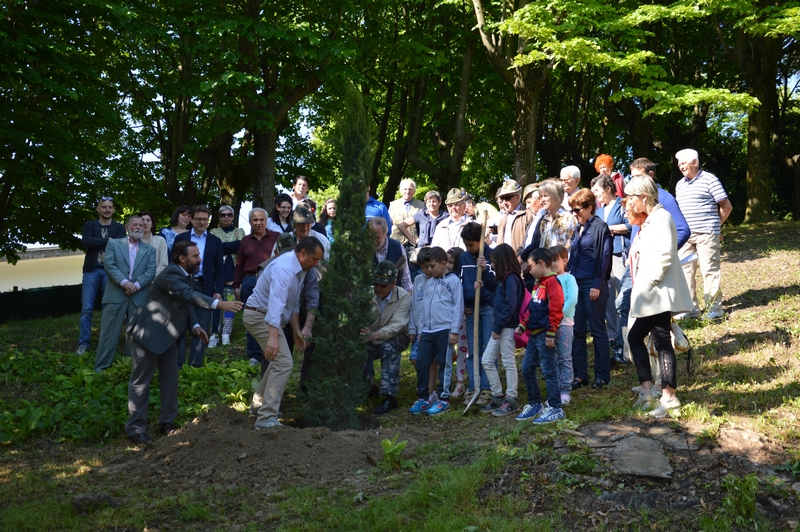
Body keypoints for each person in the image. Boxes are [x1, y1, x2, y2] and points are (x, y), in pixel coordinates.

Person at [125, 241, 243, 446]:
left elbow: (184, 302)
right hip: (147, 335)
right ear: (182, 258)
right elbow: (188, 295)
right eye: (196, 256)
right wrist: (219, 304)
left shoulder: (184, 275)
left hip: (168, 336)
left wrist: (195, 325)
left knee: (170, 380)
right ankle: (136, 429)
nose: (200, 259)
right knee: (140, 383)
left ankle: (167, 424)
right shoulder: (172, 273)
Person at [625, 175, 694, 417]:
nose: (630, 203)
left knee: (660, 342)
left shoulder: (662, 216)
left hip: (657, 292)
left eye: (632, 198)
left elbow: (665, 254)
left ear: (644, 196)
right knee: (640, 338)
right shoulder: (650, 220)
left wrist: (650, 282)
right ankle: (649, 393)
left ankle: (667, 397)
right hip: (651, 292)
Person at [246, 238, 324, 429]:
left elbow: (293, 305)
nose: (316, 265)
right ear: (302, 253)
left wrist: (297, 331)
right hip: (259, 316)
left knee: (279, 361)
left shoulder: (300, 269)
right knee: (283, 362)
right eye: (314, 259)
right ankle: (266, 418)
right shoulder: (284, 269)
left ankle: (259, 404)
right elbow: (275, 306)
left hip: (267, 317)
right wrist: (273, 338)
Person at [619, 158, 690, 364]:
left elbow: (677, 236)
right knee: (649, 337)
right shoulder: (645, 215)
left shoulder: (663, 205)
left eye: (631, 196)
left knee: (657, 339)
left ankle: (661, 389)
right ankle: (652, 386)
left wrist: (653, 277)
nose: (629, 202)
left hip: (654, 286)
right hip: (644, 282)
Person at [674, 148, 733, 320]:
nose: (680, 167)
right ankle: (690, 309)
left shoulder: (710, 179)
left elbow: (726, 207)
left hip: (706, 233)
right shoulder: (679, 184)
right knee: (685, 272)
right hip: (686, 236)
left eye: (683, 163)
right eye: (679, 164)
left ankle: (715, 310)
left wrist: (715, 227)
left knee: (709, 270)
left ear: (694, 162)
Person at [94, 215, 157, 372]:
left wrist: (135, 285)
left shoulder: (150, 250)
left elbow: (151, 272)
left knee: (136, 335)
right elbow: (109, 265)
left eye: (141, 225)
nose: (138, 227)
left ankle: (132, 368)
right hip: (116, 293)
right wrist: (125, 283)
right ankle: (101, 368)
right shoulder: (114, 244)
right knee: (109, 333)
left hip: (139, 295)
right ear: (126, 227)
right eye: (135, 224)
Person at [408, 247, 464, 416]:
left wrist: (454, 331)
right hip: (427, 331)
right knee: (422, 362)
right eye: (427, 267)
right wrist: (420, 329)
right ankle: (424, 397)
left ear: (444, 264)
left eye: (433, 266)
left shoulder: (454, 281)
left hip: (445, 329)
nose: (429, 270)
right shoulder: (429, 282)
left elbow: (457, 306)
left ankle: (443, 398)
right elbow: (423, 307)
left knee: (444, 363)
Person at [567, 188, 613, 390]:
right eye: (572, 211)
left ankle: (602, 375)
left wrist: (597, 283)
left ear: (589, 207)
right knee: (577, 330)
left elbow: (604, 256)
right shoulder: (579, 228)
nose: (574, 214)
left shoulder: (599, 226)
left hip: (593, 284)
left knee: (597, 330)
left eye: (577, 210)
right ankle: (580, 375)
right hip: (576, 284)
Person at [516, 248, 565, 423]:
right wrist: (523, 325)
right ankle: (535, 403)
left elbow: (556, 309)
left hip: (545, 335)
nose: (528, 270)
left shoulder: (552, 283)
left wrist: (551, 333)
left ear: (541, 263)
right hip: (534, 335)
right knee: (527, 368)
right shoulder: (538, 284)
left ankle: (555, 407)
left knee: (548, 370)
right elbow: (533, 309)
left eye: (530, 266)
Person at [174, 205, 224, 367]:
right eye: (198, 219)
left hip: (205, 286)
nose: (202, 222)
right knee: (180, 324)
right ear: (192, 220)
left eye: (205, 219)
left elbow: (219, 269)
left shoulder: (215, 241)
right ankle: (177, 364)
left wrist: (218, 290)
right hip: (183, 284)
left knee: (202, 326)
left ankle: (194, 366)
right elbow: (173, 264)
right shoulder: (181, 238)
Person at [77, 196, 127, 355]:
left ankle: (106, 343)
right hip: (91, 270)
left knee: (108, 308)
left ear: (113, 209)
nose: (107, 210)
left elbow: (120, 244)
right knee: (86, 308)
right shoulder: (89, 225)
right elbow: (86, 241)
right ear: (98, 209)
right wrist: (107, 241)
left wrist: (99, 241)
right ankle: (83, 343)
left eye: (110, 207)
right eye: (103, 207)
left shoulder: (119, 227)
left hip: (110, 272)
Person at [361, 261, 412, 415]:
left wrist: (375, 335)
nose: (378, 288)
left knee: (388, 347)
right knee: (354, 351)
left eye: (383, 285)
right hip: (372, 336)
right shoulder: (367, 294)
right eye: (376, 284)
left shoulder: (403, 297)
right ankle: (369, 388)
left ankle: (390, 398)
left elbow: (397, 325)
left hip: (398, 336)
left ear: (394, 283)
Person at [479, 243, 523, 417]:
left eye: (494, 262)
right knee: (487, 360)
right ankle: (498, 395)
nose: (493, 265)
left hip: (507, 327)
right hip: (501, 326)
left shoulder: (511, 279)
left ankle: (511, 398)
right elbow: (496, 302)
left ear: (502, 261)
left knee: (507, 361)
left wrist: (498, 327)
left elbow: (510, 305)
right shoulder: (503, 280)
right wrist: (482, 288)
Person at [591, 173, 631, 363]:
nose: (596, 194)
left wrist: (611, 229)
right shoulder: (598, 211)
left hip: (619, 255)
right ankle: (613, 334)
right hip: (603, 258)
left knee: (623, 295)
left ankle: (627, 335)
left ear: (608, 188)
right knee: (606, 296)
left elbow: (631, 225)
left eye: (597, 190)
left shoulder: (622, 204)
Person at [234, 208, 281, 365]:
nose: (259, 223)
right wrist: (237, 285)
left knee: (271, 317)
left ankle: (270, 351)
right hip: (250, 281)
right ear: (250, 222)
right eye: (255, 220)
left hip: (271, 281)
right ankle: (254, 355)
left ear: (266, 221)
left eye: (261, 219)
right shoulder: (245, 241)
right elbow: (240, 265)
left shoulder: (276, 237)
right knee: (253, 318)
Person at [457, 222, 496, 404]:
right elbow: (461, 282)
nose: (468, 248)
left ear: (480, 241)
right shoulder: (464, 258)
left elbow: (496, 284)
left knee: (488, 348)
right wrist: (464, 303)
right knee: (473, 349)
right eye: (466, 245)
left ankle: (488, 388)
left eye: (471, 245)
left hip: (488, 307)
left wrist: (486, 268)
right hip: (471, 308)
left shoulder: (492, 255)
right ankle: (473, 387)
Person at [208, 205, 245, 347]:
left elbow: (240, 246)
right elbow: (214, 248)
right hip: (217, 274)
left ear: (233, 216)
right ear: (219, 217)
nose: (226, 217)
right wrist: (231, 246)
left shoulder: (239, 231)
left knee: (230, 304)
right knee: (216, 304)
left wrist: (222, 247)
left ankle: (226, 334)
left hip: (233, 275)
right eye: (223, 215)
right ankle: (213, 333)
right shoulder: (214, 231)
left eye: (229, 215)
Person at [551, 245, 577, 405]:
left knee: (564, 357)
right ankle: (554, 389)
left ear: (565, 260)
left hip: (564, 324)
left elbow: (572, 300)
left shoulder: (569, 279)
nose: (552, 263)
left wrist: (559, 316)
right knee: (551, 358)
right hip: (550, 326)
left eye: (555, 260)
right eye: (550, 260)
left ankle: (565, 389)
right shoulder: (548, 280)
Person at [369, 216, 412, 293]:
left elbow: (406, 280)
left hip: (394, 299)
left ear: (386, 234)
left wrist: (407, 301)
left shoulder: (398, 247)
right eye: (371, 237)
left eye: (377, 237)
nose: (373, 240)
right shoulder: (362, 249)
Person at [495, 179, 530, 254]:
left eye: (507, 197)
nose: (504, 202)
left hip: (521, 263)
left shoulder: (528, 215)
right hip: (504, 263)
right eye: (502, 198)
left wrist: (523, 260)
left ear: (518, 197)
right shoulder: (502, 220)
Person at [389, 179, 425, 247]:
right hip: (396, 244)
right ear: (401, 191)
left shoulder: (422, 205)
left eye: (410, 189)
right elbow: (388, 225)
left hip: (415, 244)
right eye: (405, 189)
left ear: (414, 191)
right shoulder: (393, 205)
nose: (407, 191)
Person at [139, 211, 168, 277]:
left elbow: (164, 264)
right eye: (142, 220)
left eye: (148, 220)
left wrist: (150, 278)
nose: (145, 222)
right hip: (136, 282)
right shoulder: (132, 241)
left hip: (155, 281)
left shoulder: (160, 240)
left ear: (152, 224)